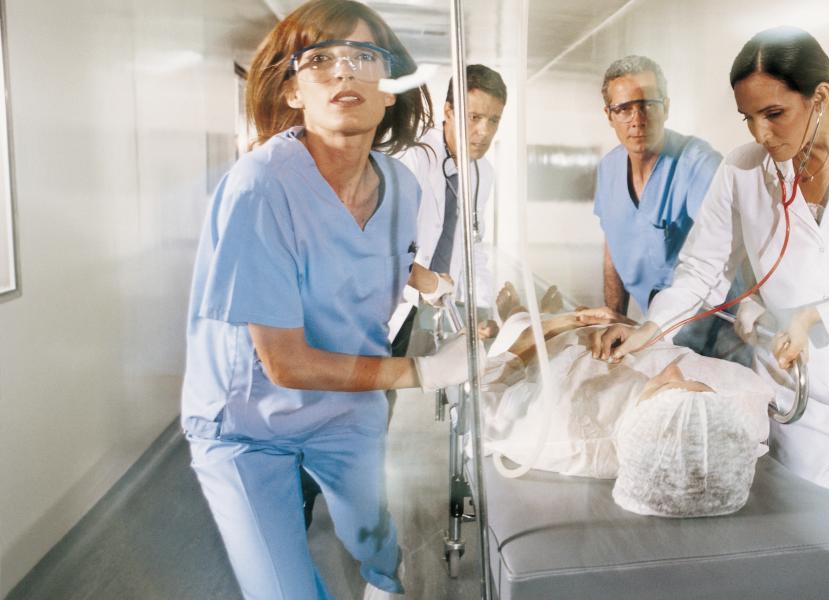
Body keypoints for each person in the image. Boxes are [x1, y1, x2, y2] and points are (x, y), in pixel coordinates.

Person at [589, 27, 829, 599]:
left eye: (775, 114)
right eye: (748, 118)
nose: (761, 133)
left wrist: (817, 316)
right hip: (798, 388)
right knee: (804, 548)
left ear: (820, 96)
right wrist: (650, 329)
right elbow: (702, 270)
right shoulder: (744, 170)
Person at [180, 1, 466, 598]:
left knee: (373, 534)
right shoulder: (260, 187)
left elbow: (374, 254)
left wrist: (433, 284)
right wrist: (424, 371)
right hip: (246, 421)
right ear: (292, 91)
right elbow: (284, 363)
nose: (344, 71)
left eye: (364, 56)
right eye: (319, 60)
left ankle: (383, 581)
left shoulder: (402, 185)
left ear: (389, 89)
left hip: (346, 402)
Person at [479, 286, 772, 517]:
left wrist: (561, 323)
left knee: (519, 320)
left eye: (669, 386)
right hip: (617, 329)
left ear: (651, 430)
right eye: (694, 384)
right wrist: (637, 328)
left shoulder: (559, 433)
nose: (672, 371)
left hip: (540, 343)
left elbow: (488, 383)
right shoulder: (733, 409)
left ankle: (517, 311)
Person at [593, 55, 746, 362]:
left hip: (719, 330)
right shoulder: (609, 169)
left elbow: (719, 254)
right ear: (609, 115)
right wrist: (614, 318)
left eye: (648, 104)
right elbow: (614, 248)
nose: (637, 119)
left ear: (666, 107)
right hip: (657, 328)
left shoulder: (698, 164)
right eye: (624, 109)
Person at [387, 64, 507, 356]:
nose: (484, 131)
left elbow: (473, 245)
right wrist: (427, 283)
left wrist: (481, 307)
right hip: (396, 303)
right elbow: (385, 246)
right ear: (449, 111)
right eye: (474, 117)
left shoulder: (482, 172)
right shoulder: (414, 158)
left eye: (493, 120)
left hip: (439, 307)